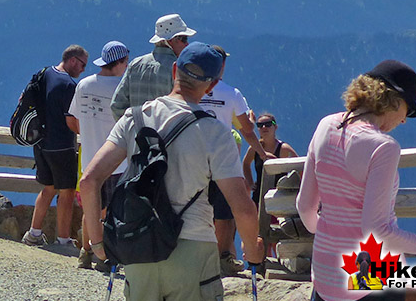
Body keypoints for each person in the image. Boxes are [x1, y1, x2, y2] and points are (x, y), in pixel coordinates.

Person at [81, 42, 266, 301]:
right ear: (211, 85)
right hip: (194, 250)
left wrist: (98, 244)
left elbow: (89, 180)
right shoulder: (217, 133)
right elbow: (242, 206)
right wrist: (252, 249)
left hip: (139, 248)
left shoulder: (134, 118)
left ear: (175, 70)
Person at [296, 60, 416, 301]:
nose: (405, 119)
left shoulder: (326, 125)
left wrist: (333, 237)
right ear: (394, 100)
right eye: (409, 109)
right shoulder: (383, 147)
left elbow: (305, 206)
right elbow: (376, 231)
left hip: (324, 275)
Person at [199, 46, 275, 276]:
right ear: (222, 65)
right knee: (224, 214)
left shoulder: (194, 90)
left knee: (196, 210)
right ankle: (221, 259)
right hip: (223, 162)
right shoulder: (232, 94)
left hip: (194, 158)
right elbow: (247, 130)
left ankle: (196, 259)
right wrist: (262, 154)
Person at [68, 40, 130, 269]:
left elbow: (72, 119)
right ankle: (106, 257)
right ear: (121, 62)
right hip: (116, 161)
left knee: (91, 209)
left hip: (88, 157)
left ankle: (86, 252)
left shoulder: (83, 85)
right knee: (112, 212)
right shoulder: (122, 88)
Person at [22, 44, 89, 248]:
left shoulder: (45, 73)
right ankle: (63, 240)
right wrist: (86, 134)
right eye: (82, 65)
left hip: (40, 142)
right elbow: (72, 120)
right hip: (61, 145)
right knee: (67, 192)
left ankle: (33, 233)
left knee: (48, 188)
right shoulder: (69, 86)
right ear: (72, 61)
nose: (83, 70)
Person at [109, 13, 195, 121]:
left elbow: (116, 105)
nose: (187, 44)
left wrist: (130, 129)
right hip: (167, 136)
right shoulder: (178, 69)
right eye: (184, 39)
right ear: (171, 40)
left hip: (136, 135)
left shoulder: (135, 64)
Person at [242, 112, 298, 206]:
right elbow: (246, 163)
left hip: (280, 196)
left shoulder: (284, 149)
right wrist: (250, 183)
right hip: (259, 196)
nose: (264, 127)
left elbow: (300, 167)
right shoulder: (254, 148)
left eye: (268, 124)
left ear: (275, 127)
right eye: (260, 125)